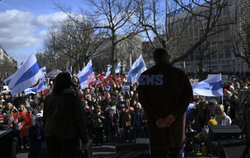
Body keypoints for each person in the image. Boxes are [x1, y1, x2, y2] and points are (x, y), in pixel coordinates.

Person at [138, 48, 193, 158]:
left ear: (154, 59)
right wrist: (173, 116)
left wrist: (157, 118)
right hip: (176, 129)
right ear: (167, 57)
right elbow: (187, 97)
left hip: (156, 130)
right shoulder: (180, 75)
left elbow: (143, 100)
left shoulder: (146, 76)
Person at [43, 72, 88, 158]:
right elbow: (79, 119)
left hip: (51, 136)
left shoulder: (49, 98)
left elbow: (45, 118)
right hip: (68, 136)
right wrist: (84, 139)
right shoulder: (72, 97)